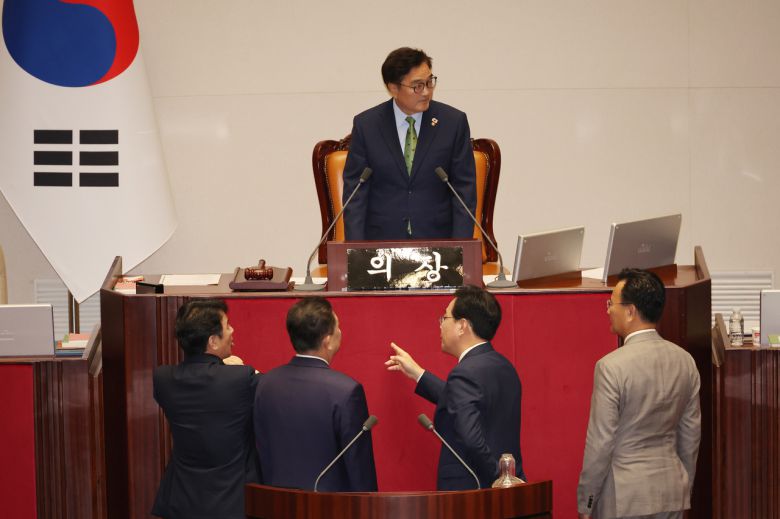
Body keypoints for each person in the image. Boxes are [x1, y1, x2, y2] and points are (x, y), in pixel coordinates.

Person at [577, 269, 701, 519]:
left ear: (630, 311)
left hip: (624, 496)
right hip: (671, 491)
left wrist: (586, 502)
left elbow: (600, 444)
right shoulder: (685, 361)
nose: (608, 310)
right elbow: (690, 436)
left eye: (611, 303)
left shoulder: (611, 366)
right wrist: (682, 486)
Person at [386, 285, 524, 490]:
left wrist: (499, 480)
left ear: (462, 326)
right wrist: (418, 373)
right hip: (511, 488)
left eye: (445, 318)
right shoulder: (505, 367)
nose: (440, 325)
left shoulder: (465, 372)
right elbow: (465, 403)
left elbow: (471, 440)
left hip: (473, 493)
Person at [342, 47, 477, 241]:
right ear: (393, 88)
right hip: (381, 243)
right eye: (417, 86)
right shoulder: (367, 125)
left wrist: (460, 248)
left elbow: (464, 191)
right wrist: (355, 252)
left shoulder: (453, 123)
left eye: (429, 82)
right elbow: (355, 194)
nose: (426, 92)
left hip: (438, 242)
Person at [253, 297, 377, 491]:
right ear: (327, 341)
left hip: (274, 503)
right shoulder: (347, 391)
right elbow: (359, 469)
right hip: (329, 504)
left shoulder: (265, 383)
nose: (340, 332)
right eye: (338, 327)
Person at [152, 299, 261, 519]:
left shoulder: (163, 378)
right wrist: (238, 369)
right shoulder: (241, 378)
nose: (232, 330)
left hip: (182, 499)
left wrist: (224, 368)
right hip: (232, 501)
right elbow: (270, 391)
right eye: (227, 326)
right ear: (213, 341)